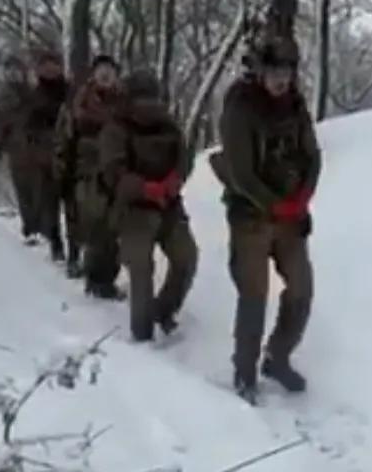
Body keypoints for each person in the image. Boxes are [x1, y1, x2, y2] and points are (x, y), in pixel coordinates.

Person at [210, 30, 321, 402]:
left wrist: (301, 199)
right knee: (253, 295)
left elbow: (312, 156)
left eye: (287, 70)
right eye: (274, 70)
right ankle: (245, 372)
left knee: (302, 290)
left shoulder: (295, 105)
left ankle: (278, 357)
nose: (281, 78)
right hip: (250, 215)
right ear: (260, 70)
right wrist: (275, 205)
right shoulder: (240, 108)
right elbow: (241, 172)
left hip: (291, 215)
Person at [97, 69, 198, 342]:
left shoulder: (169, 125)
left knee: (187, 258)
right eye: (142, 99)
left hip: (168, 205)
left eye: (152, 99)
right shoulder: (115, 129)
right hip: (133, 210)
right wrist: (144, 188)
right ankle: (141, 335)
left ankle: (163, 310)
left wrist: (175, 180)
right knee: (141, 268)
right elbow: (113, 172)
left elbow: (184, 157)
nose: (148, 106)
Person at [0, 41, 70, 261]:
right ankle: (37, 230)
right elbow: (0, 123)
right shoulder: (7, 97)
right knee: (28, 191)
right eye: (10, 71)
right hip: (25, 151)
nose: (14, 74)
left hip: (56, 151)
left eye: (17, 70)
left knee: (47, 195)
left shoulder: (38, 92)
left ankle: (52, 235)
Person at [53, 54, 122, 295]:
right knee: (93, 224)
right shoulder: (78, 103)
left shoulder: (124, 105)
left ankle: (106, 277)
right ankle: (95, 278)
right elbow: (64, 138)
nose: (105, 75)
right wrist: (62, 169)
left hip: (116, 172)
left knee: (113, 227)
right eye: (101, 70)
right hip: (85, 172)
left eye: (110, 71)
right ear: (93, 75)